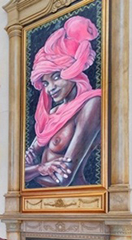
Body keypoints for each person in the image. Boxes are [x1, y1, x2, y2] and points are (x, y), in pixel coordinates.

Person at [24, 15, 102, 188]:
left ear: (72, 71)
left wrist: (31, 171)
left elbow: (61, 179)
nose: (50, 88)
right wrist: (40, 168)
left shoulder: (92, 105)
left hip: (78, 198)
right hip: (44, 199)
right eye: (45, 83)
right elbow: (18, 172)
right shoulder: (53, 113)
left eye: (56, 77)